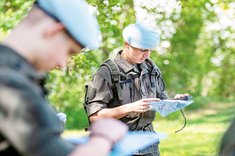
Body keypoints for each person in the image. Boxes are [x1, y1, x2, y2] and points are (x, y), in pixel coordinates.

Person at [0, 0, 128, 156]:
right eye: (69, 51)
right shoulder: (10, 83)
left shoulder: (16, 75)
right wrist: (103, 137)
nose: (62, 64)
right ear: (54, 31)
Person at [84, 23, 189, 156]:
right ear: (126, 45)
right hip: (118, 142)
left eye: (149, 50)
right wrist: (130, 107)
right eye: (142, 50)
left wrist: (174, 101)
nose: (147, 54)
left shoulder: (151, 68)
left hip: (148, 142)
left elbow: (160, 101)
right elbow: (95, 117)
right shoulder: (107, 72)